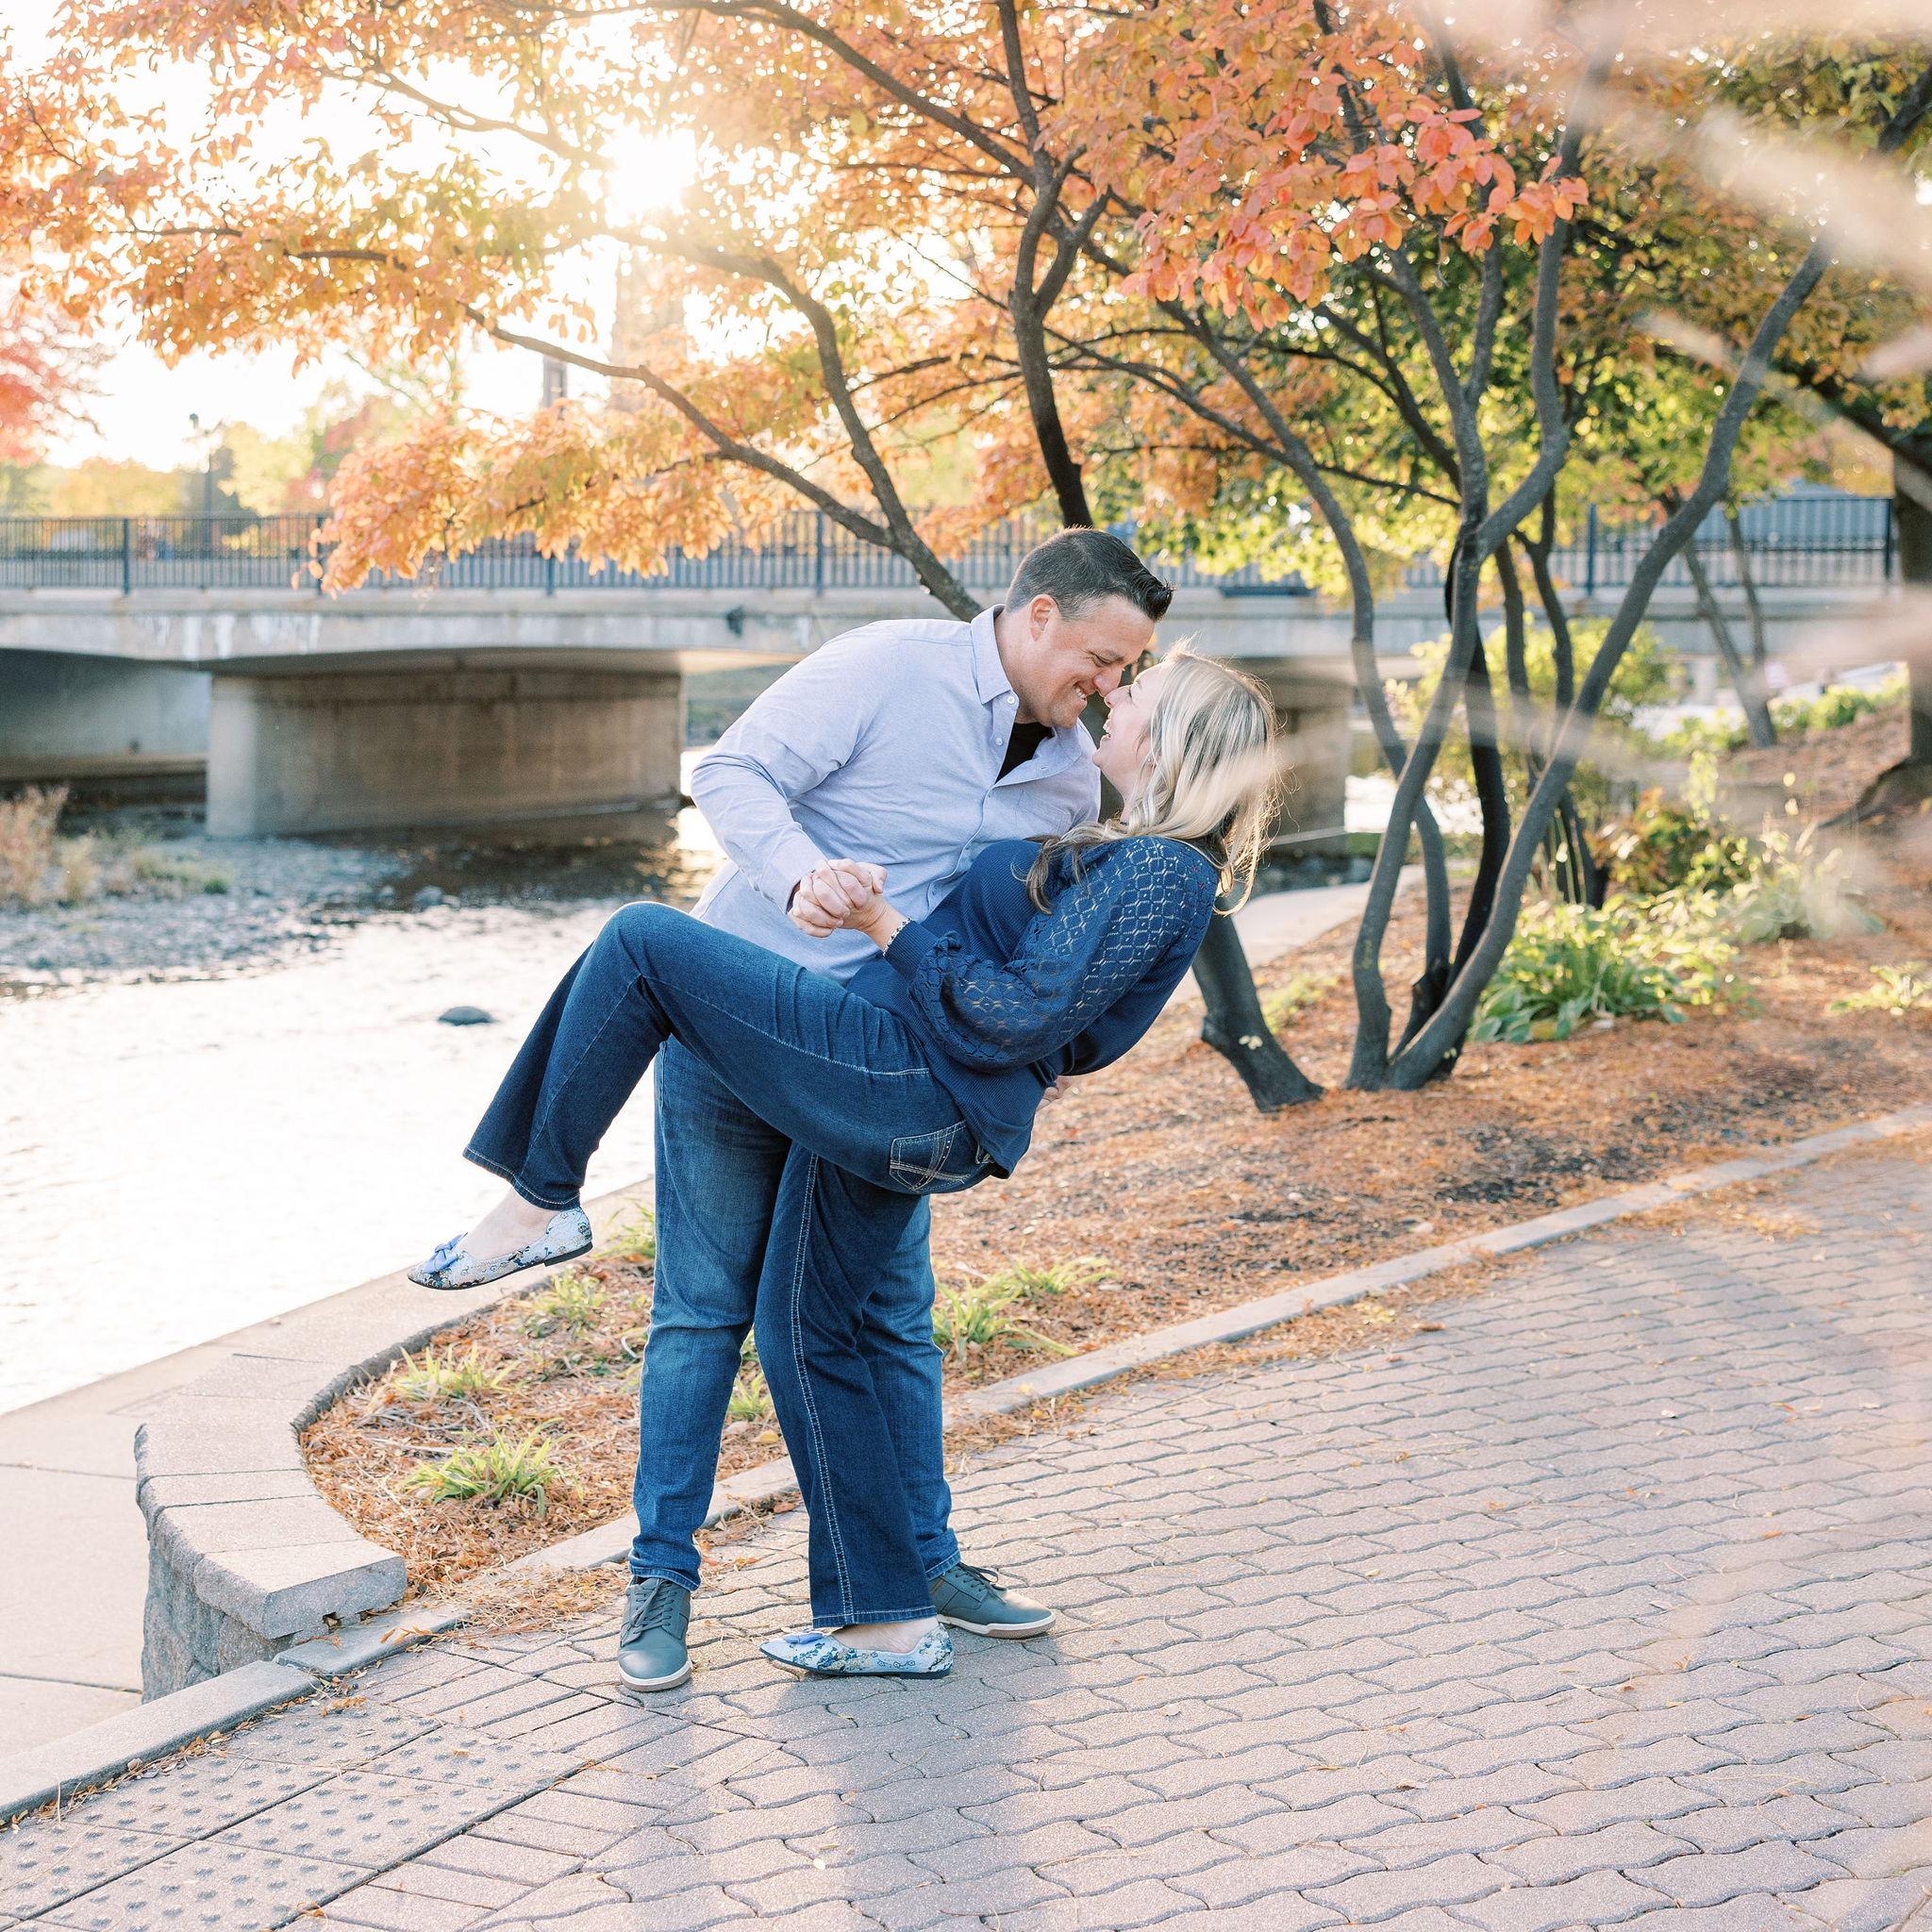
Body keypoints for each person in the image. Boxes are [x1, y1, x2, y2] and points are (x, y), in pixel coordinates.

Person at [412, 647, 1278, 1677]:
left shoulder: (1164, 868)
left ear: (1171, 739)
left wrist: (881, 922)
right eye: (1112, 672)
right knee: (802, 1325)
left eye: (1134, 691)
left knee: (642, 939)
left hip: (898, 1077)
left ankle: (541, 1196)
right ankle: (887, 1616)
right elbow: (1045, 1009)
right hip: (896, 1078)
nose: (1113, 695)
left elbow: (1022, 1013)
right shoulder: (1109, 834)